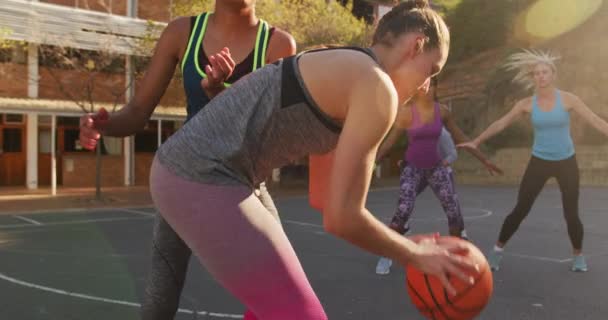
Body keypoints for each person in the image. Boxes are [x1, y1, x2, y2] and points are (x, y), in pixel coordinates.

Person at [84, 1, 480, 318]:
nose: (428, 84)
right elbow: (342, 217)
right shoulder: (376, 89)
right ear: (416, 47)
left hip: (205, 173)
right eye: (434, 69)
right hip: (202, 176)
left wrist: (407, 247)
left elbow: (326, 202)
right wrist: (413, 253)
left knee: (274, 304)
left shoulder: (346, 67)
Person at [78, 1, 296, 318]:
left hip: (245, 180)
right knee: (161, 296)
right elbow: (137, 114)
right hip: (186, 176)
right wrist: (103, 124)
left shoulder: (278, 44)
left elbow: (273, 135)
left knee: (284, 289)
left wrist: (219, 92)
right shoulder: (181, 32)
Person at [459, 49, 608, 272]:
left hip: (566, 161)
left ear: (553, 74)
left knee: (571, 212)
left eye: (545, 72)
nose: (541, 76)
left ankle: (578, 256)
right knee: (521, 208)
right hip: (539, 161)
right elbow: (501, 123)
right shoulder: (526, 104)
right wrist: (476, 141)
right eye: (536, 73)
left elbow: (596, 121)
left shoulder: (568, 99)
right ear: (533, 78)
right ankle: (497, 251)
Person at [374, 77, 502, 275]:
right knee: (403, 209)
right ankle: (387, 253)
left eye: (429, 84)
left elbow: (461, 138)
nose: (424, 89)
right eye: (420, 85)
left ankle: (460, 253)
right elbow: (390, 143)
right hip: (413, 168)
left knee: (453, 210)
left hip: (436, 167)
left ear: (435, 87)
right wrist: (371, 164)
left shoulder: (442, 111)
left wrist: (484, 160)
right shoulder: (407, 113)